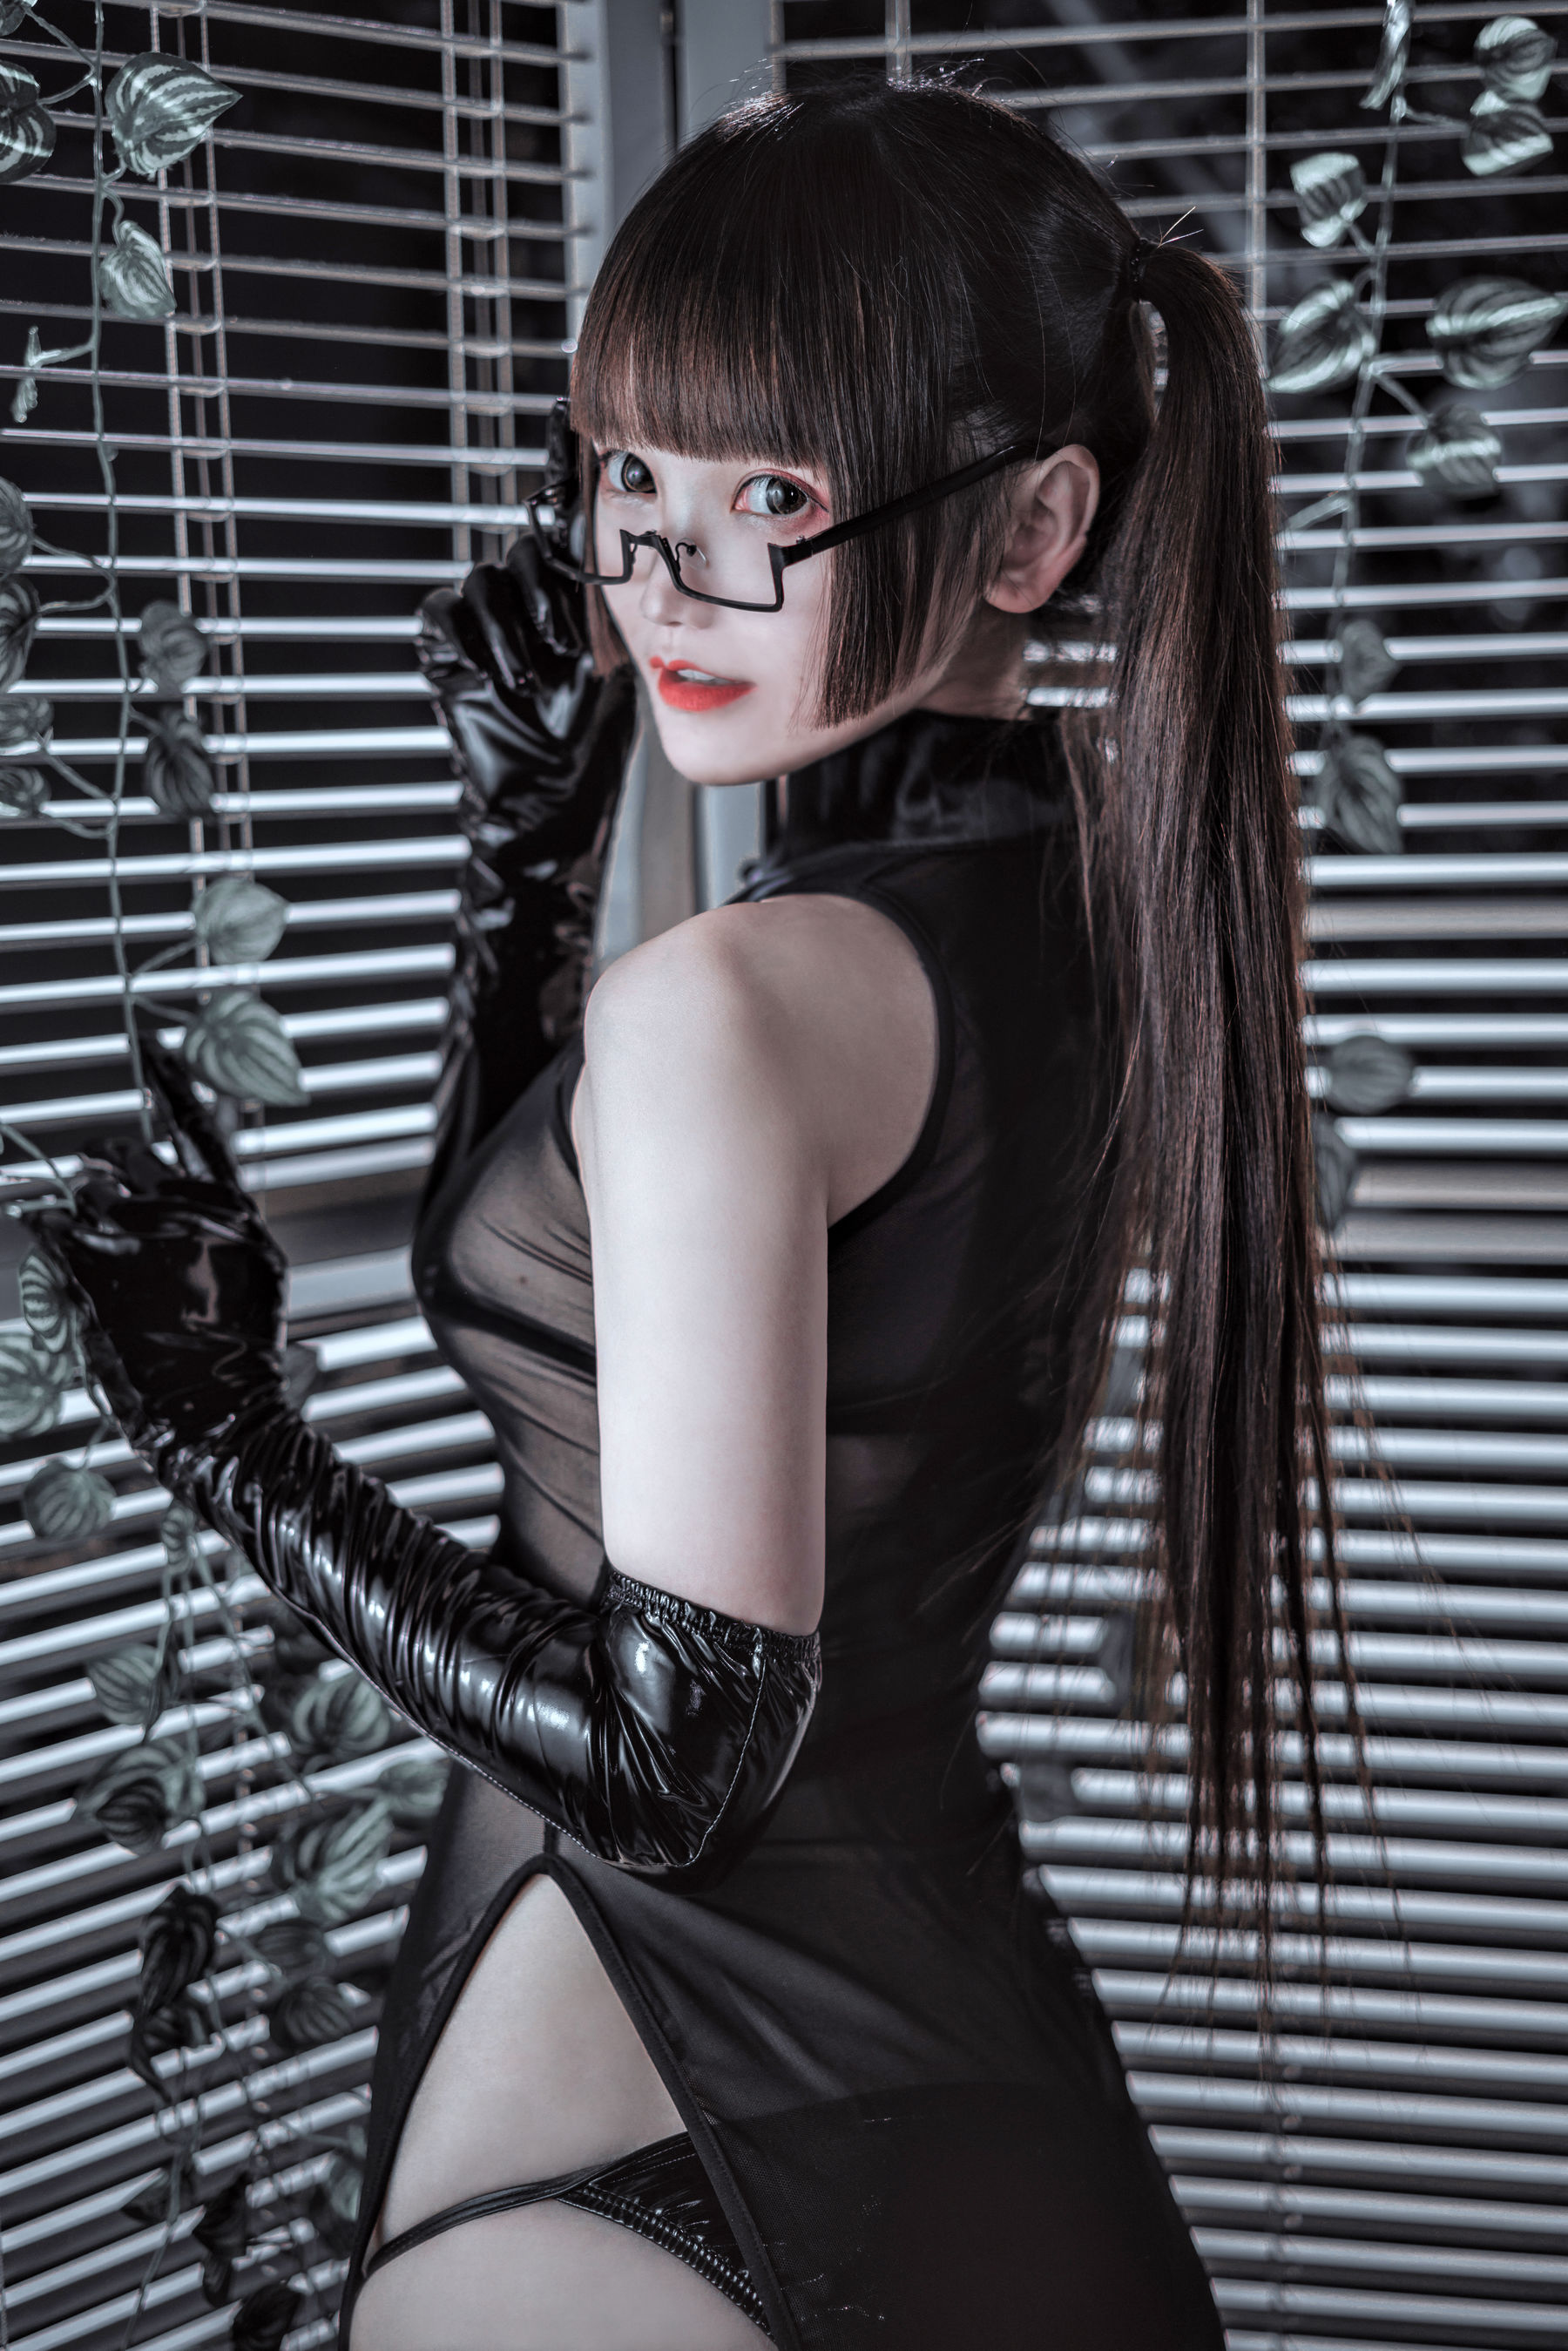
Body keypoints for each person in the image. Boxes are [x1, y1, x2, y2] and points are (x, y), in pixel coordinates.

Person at [29, 78, 1342, 2351]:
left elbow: (668, 1764)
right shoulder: (1105, 917)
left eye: (773, 496)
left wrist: (214, 1427)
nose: (655, 576)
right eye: (628, 473)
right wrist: (525, 858)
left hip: (641, 2115)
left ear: (1036, 526)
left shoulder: (737, 1005)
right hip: (976, 2081)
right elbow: (573, 1284)